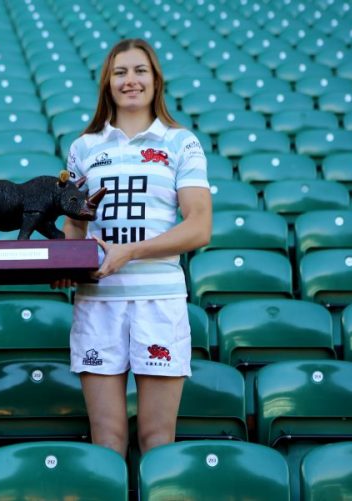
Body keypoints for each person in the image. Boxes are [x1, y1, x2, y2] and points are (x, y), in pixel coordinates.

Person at [61, 38, 212, 456]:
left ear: (156, 79)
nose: (131, 80)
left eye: (140, 70)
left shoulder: (183, 142)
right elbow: (74, 226)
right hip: (98, 301)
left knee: (157, 440)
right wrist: (72, 264)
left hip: (159, 300)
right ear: (107, 83)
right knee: (106, 442)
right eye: (120, 72)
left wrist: (128, 252)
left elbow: (199, 227)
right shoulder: (83, 147)